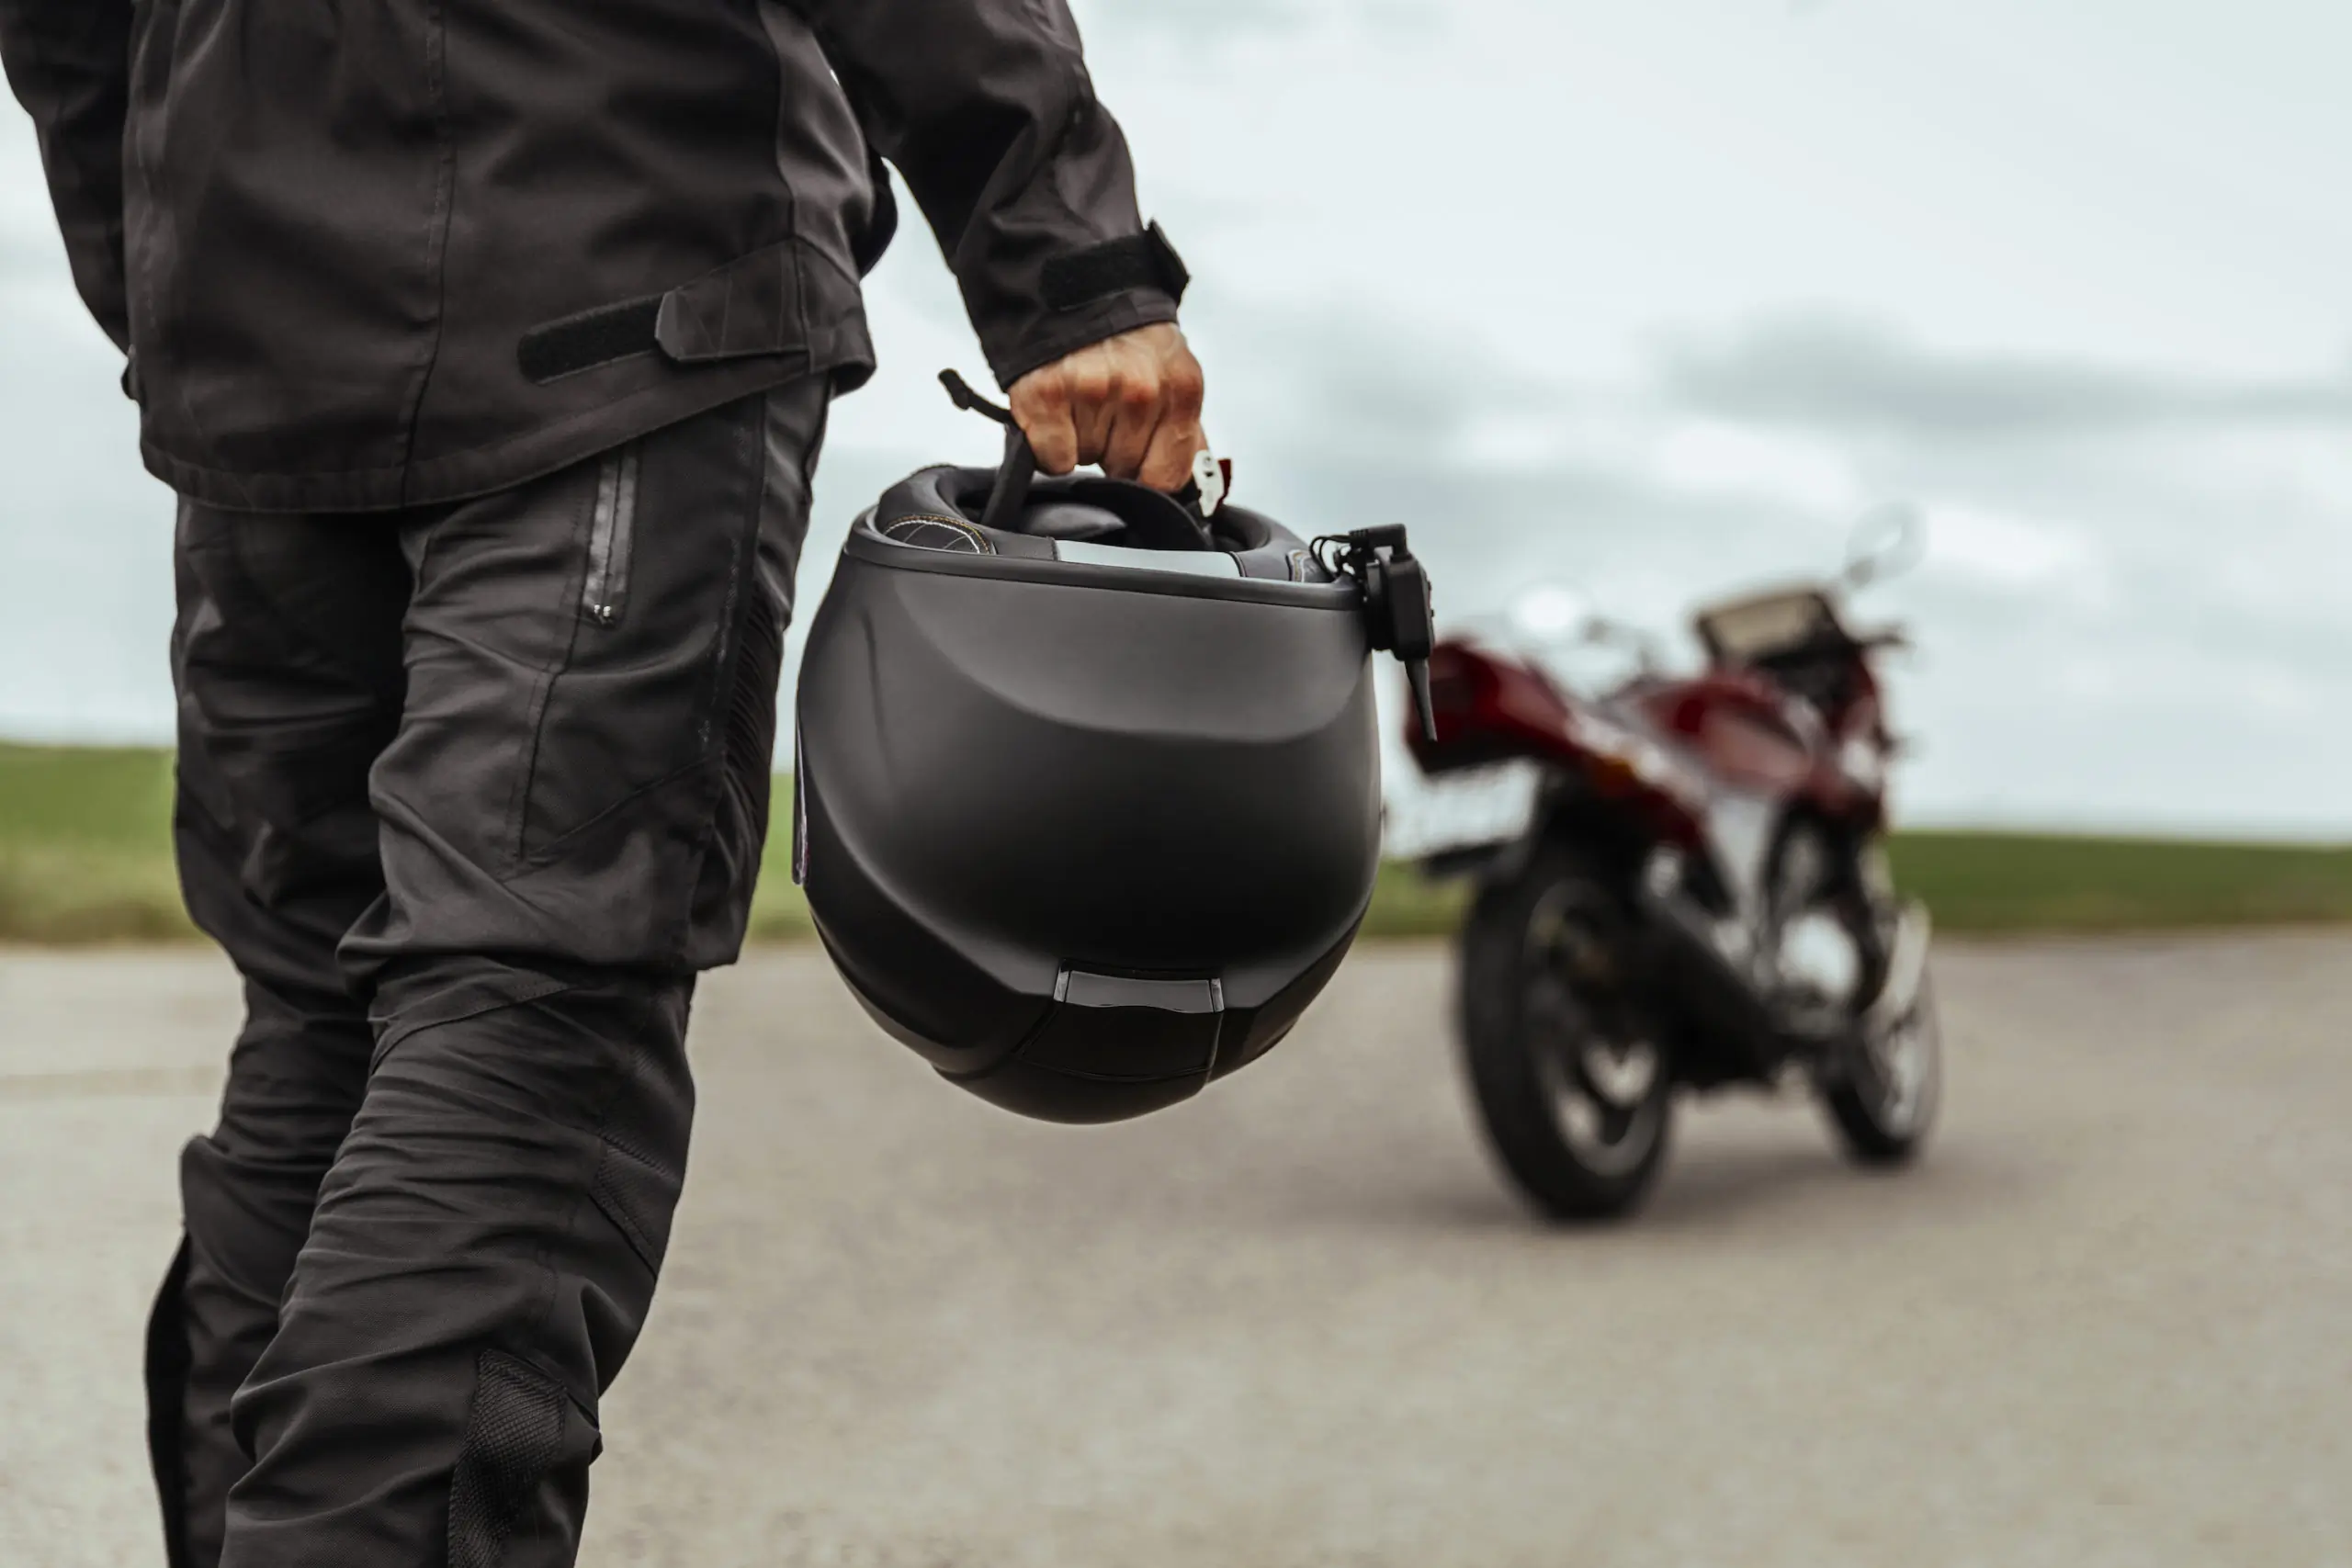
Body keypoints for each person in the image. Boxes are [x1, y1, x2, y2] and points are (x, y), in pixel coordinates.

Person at [0, 1, 1206, 1562]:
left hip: (258, 325)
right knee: (526, 1009)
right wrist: (1070, 265)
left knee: (318, 1032)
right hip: (623, 260)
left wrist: (185, 280)